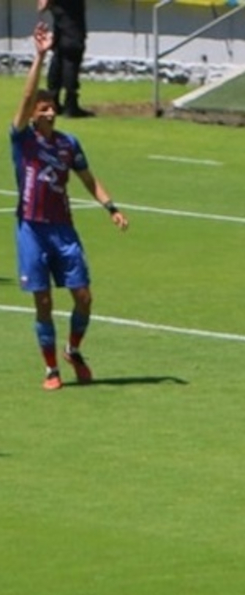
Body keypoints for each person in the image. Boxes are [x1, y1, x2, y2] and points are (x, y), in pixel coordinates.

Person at [12, 23, 129, 390]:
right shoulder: (22, 140)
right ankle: (50, 370)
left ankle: (73, 350)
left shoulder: (68, 144)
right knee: (43, 301)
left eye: (51, 108)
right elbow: (25, 97)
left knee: (83, 296)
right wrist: (41, 55)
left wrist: (111, 207)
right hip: (31, 228)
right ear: (33, 113)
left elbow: (88, 179)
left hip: (63, 229)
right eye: (43, 108)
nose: (49, 113)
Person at [37, 0, 94, 118]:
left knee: (58, 58)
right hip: (72, 28)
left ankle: (53, 100)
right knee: (71, 58)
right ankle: (70, 104)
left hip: (61, 25)